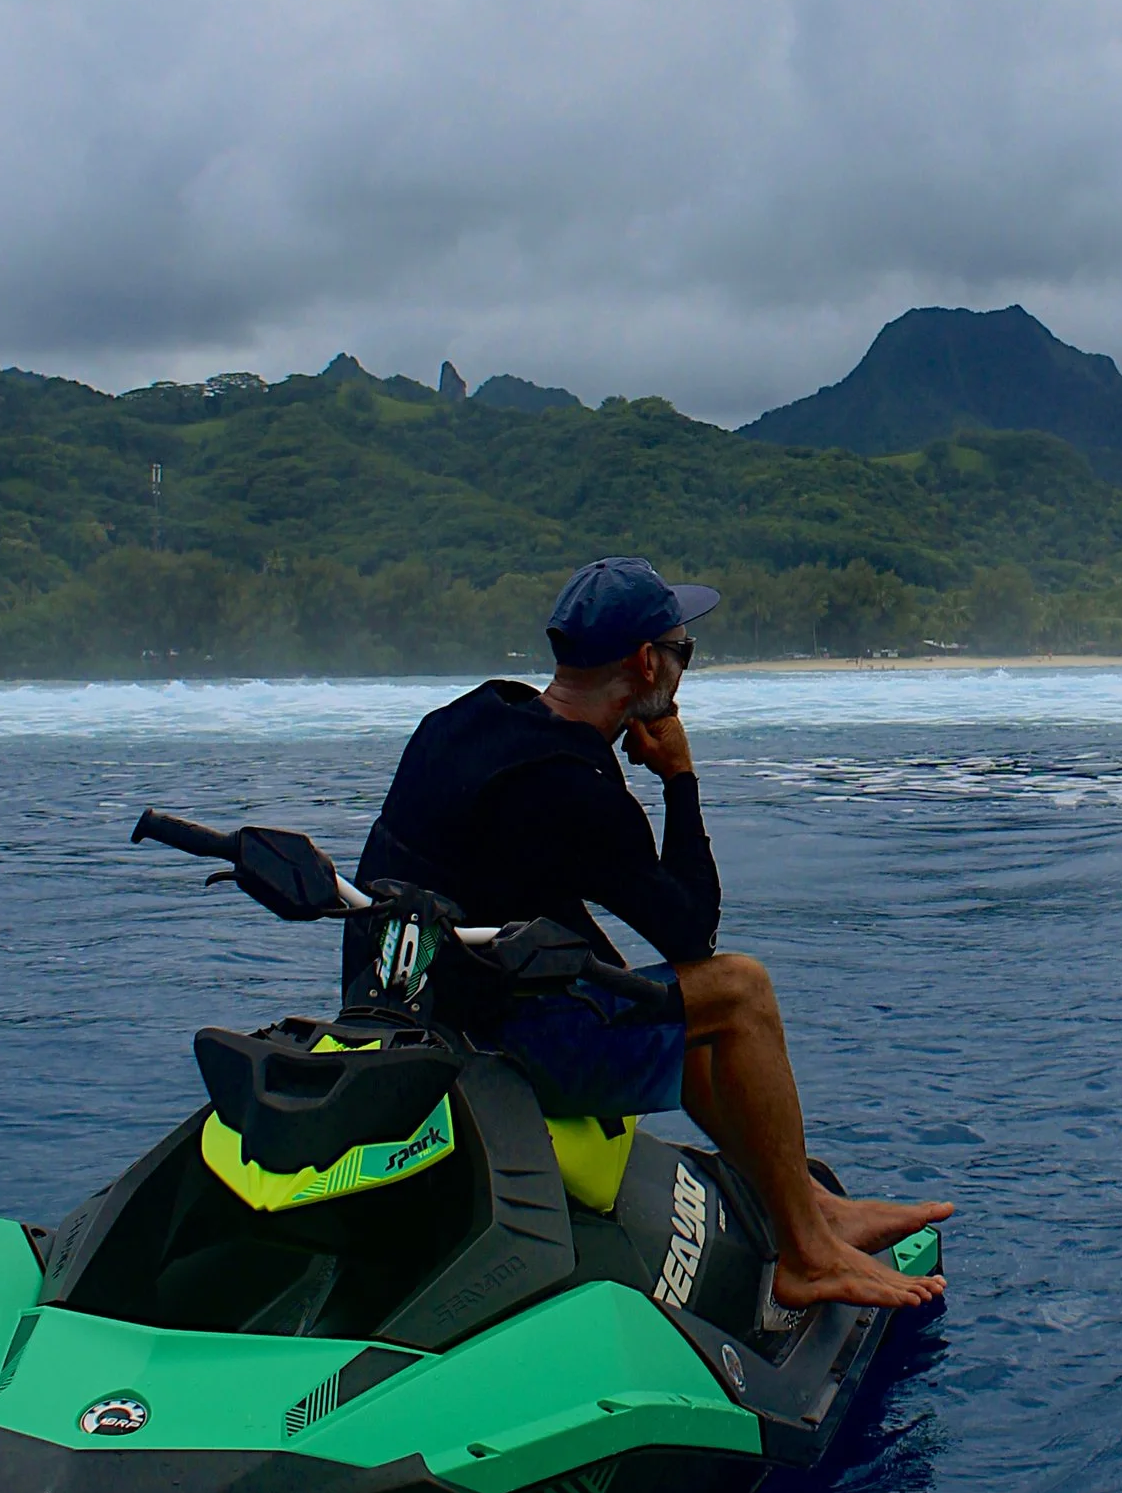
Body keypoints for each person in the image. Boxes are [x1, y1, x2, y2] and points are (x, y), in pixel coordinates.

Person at [353, 555, 948, 1310]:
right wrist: (679, 779)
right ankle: (805, 1254)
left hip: (413, 1011)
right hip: (492, 1051)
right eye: (682, 653)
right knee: (738, 992)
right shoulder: (575, 789)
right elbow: (691, 932)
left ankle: (810, 1206)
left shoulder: (469, 718)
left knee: (656, 995)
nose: (683, 669)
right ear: (646, 663)